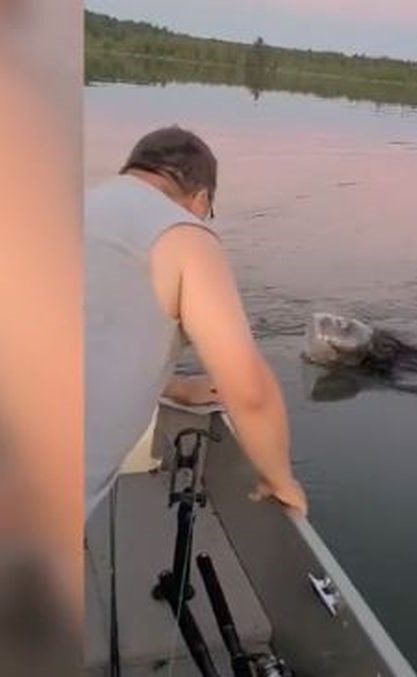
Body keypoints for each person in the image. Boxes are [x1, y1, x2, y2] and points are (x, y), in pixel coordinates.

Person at [85, 126, 307, 518]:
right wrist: (280, 480)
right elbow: (250, 390)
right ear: (201, 199)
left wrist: (171, 386)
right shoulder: (185, 235)